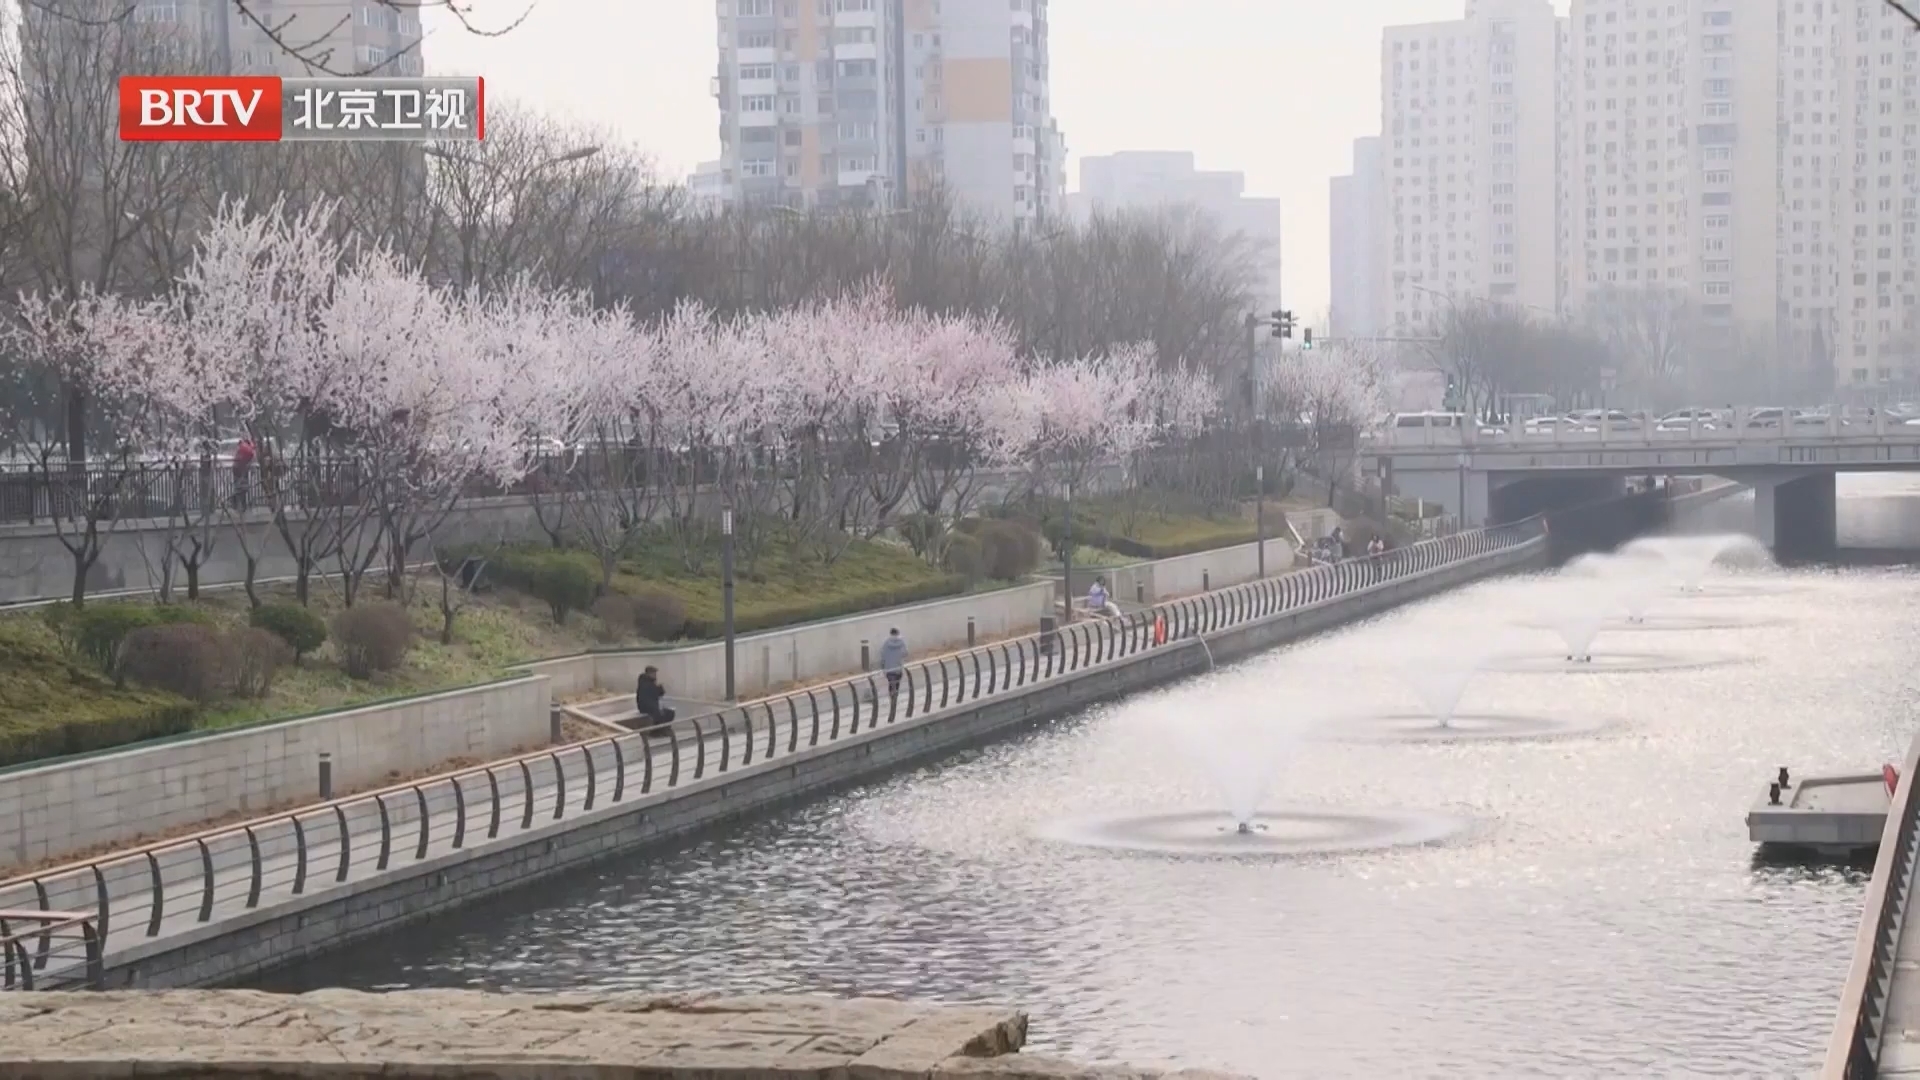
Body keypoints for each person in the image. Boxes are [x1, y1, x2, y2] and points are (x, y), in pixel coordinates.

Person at [634, 666, 675, 731]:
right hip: (648, 708)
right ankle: (660, 731)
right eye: (653, 673)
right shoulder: (646, 683)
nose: (655, 675)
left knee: (668, 713)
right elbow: (654, 693)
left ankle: (662, 730)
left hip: (650, 707)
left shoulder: (647, 682)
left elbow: (658, 694)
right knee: (666, 714)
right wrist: (659, 688)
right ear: (649, 674)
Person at [879, 627, 908, 696]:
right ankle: (895, 697)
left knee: (891, 684)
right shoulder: (901, 642)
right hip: (898, 668)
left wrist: (882, 666)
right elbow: (905, 653)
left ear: (890, 633)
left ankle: (892, 698)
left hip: (889, 668)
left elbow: (883, 655)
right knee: (897, 683)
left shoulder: (886, 643)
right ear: (897, 633)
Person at [230, 436, 256, 509]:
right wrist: (252, 470)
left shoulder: (241, 449)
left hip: (237, 469)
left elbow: (237, 459)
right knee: (243, 488)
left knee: (238, 487)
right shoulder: (249, 450)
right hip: (243, 471)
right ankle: (242, 505)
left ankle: (236, 504)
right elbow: (250, 462)